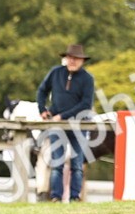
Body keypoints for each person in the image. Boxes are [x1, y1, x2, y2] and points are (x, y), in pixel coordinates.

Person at [36, 43, 95, 202]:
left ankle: (75, 197)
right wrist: (42, 109)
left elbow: (85, 104)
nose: (72, 61)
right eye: (70, 58)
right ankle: (56, 197)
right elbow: (42, 91)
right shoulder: (55, 73)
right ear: (66, 58)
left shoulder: (87, 79)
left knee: (77, 164)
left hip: (79, 125)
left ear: (82, 61)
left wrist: (62, 116)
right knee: (57, 163)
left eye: (76, 59)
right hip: (57, 125)